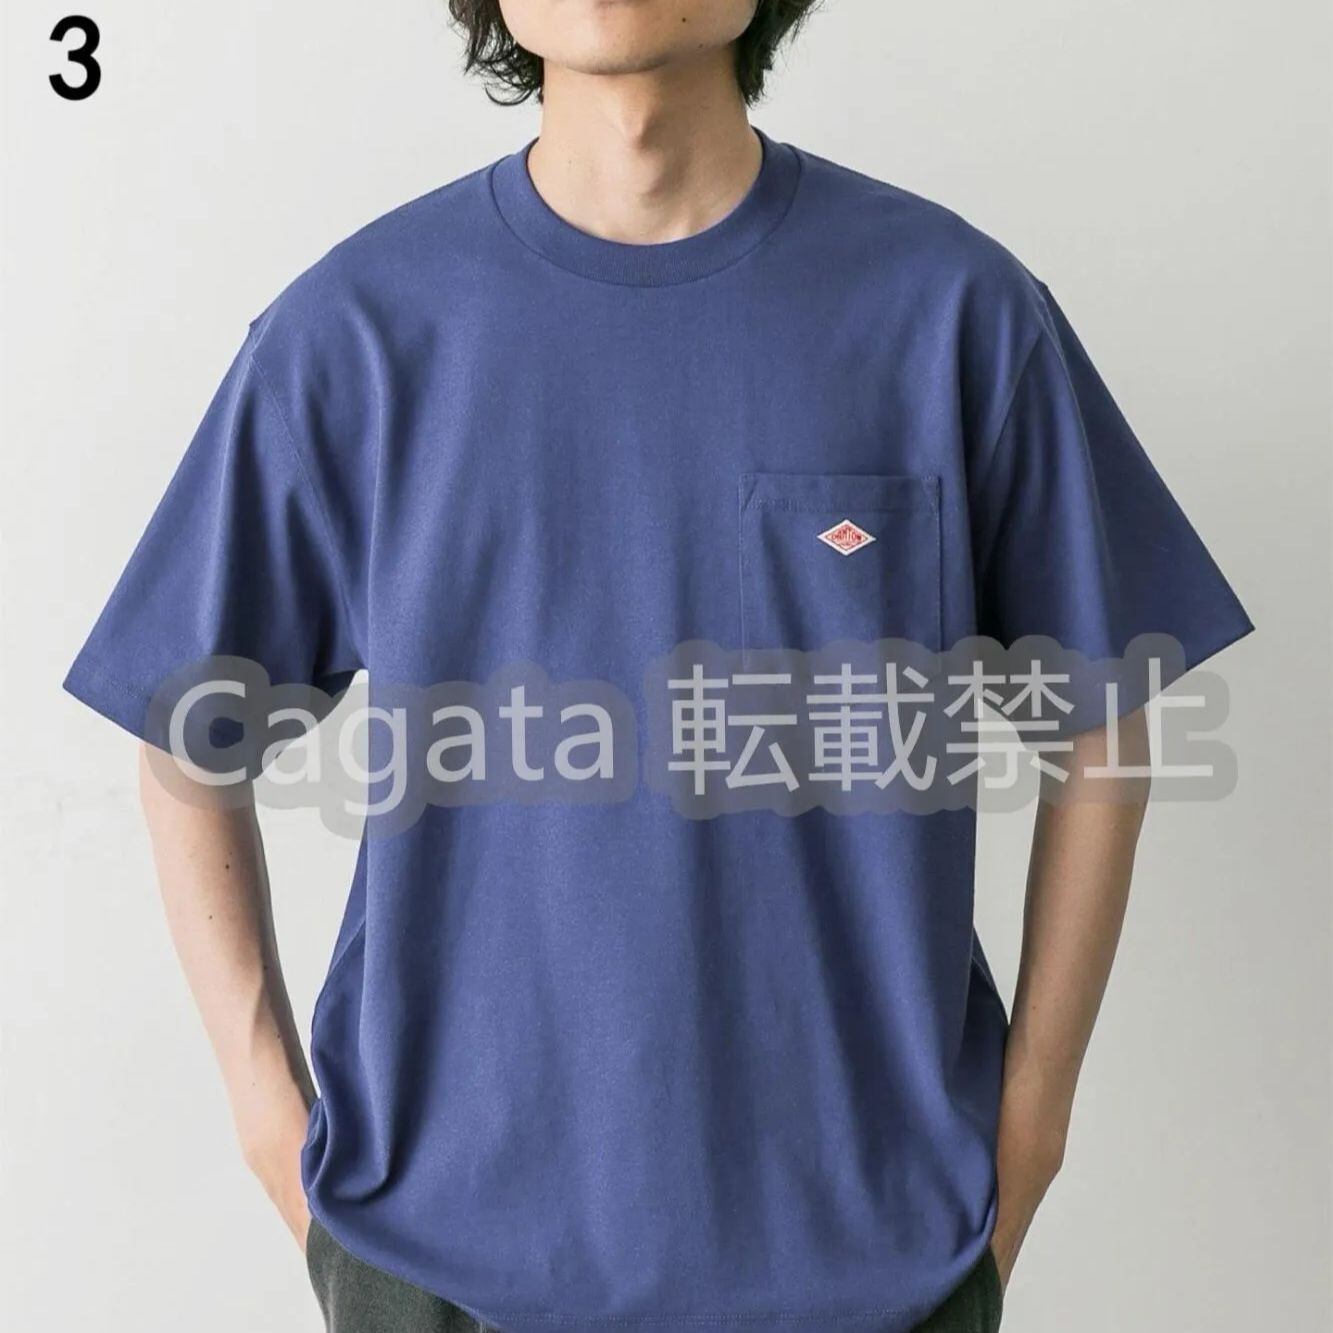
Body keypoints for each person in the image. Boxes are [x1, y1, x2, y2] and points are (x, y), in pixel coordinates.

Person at [63, 3, 1253, 1331]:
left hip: (877, 1260)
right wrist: (267, 1125)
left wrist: (1032, 1128)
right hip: (435, 1256)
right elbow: (186, 730)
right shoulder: (356, 334)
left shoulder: (950, 311)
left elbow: (1100, 722)